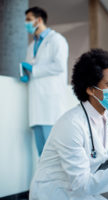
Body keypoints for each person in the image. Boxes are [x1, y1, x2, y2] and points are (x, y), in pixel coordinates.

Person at [29, 49, 108, 200]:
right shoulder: (71, 125)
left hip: (83, 187)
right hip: (58, 192)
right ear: (90, 89)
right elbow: (81, 185)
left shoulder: (105, 116)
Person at [20, 7, 69, 156]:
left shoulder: (57, 40)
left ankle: (58, 180)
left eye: (29, 19)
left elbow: (59, 66)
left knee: (53, 153)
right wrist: (27, 75)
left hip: (50, 104)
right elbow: (34, 70)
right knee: (41, 153)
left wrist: (34, 70)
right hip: (36, 106)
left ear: (39, 20)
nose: (26, 23)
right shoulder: (31, 46)